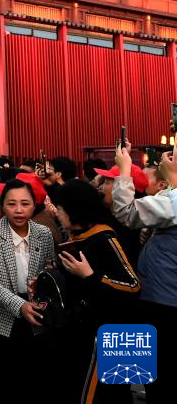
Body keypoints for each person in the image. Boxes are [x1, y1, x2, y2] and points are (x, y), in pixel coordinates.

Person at [52, 179, 141, 403]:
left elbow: (133, 285)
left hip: (109, 332)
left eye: (60, 209)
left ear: (73, 211)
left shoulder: (105, 237)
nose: (57, 213)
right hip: (85, 327)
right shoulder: (78, 236)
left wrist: (90, 276)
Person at [0, 180, 55, 403]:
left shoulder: (43, 233)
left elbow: (50, 271)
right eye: (11, 204)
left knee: (26, 380)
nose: (18, 210)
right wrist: (20, 305)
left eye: (25, 204)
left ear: (34, 205)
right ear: (2, 206)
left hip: (34, 314)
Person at [112, 145, 177, 404]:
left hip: (164, 298)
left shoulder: (172, 202)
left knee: (159, 371)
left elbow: (125, 212)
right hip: (164, 293)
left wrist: (125, 169)